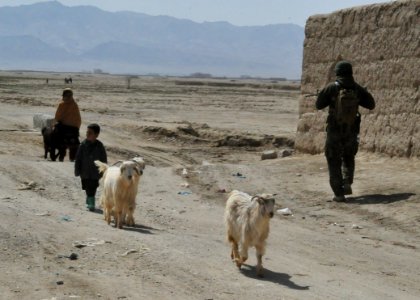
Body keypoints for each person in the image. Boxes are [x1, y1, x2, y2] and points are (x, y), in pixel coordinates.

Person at [316, 61, 375, 202]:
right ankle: (347, 181)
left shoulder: (332, 88)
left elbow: (318, 105)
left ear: (337, 73)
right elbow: (371, 104)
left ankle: (338, 193)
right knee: (348, 156)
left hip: (334, 130)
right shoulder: (356, 88)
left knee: (333, 158)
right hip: (351, 130)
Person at [74, 124, 107, 211]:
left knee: (93, 187)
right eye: (87, 132)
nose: (87, 134)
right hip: (84, 172)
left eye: (90, 133)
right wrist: (77, 170)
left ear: (96, 135)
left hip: (95, 173)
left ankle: (91, 203)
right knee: (86, 187)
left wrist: (104, 171)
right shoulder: (83, 145)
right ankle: (89, 200)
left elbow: (103, 160)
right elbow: (78, 159)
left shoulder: (99, 146)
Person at [54, 88, 81, 161]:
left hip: (63, 128)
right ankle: (72, 158)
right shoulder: (75, 105)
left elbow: (57, 117)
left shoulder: (61, 105)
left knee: (57, 138)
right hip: (74, 129)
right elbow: (78, 119)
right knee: (74, 144)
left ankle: (61, 157)